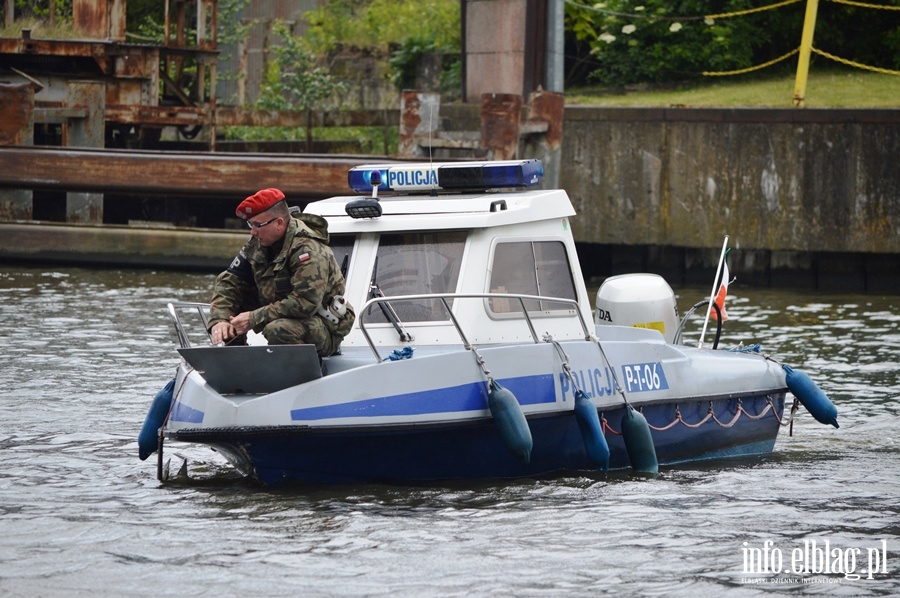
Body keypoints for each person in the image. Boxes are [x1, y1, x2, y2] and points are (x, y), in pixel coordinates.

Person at [208, 188, 354, 356]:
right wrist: (220, 320)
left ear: (279, 223)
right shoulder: (257, 244)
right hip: (280, 313)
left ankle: (302, 374)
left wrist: (253, 318)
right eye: (250, 224)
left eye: (257, 225)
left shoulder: (308, 249)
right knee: (225, 321)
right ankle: (236, 363)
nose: (253, 231)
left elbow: (305, 303)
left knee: (278, 329)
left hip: (321, 326)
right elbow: (229, 282)